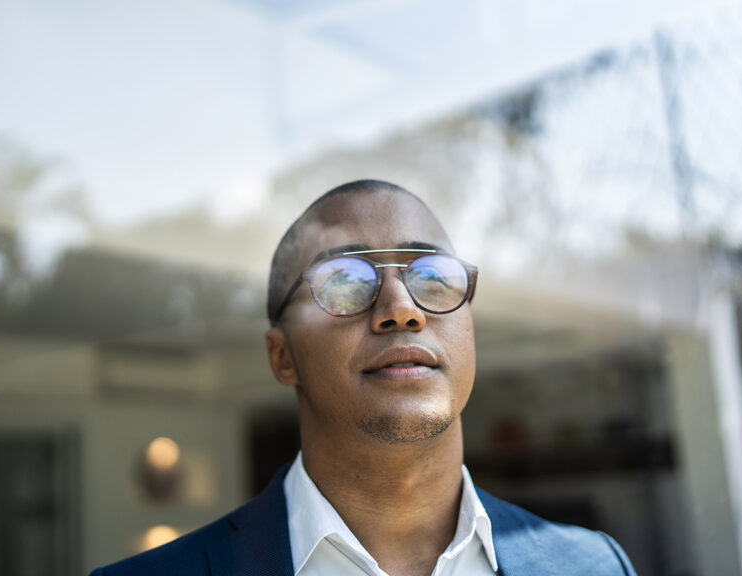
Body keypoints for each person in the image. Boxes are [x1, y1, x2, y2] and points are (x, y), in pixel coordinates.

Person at [90, 180, 636, 576]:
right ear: (283, 358)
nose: (402, 308)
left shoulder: (594, 566)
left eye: (431, 275)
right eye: (345, 281)